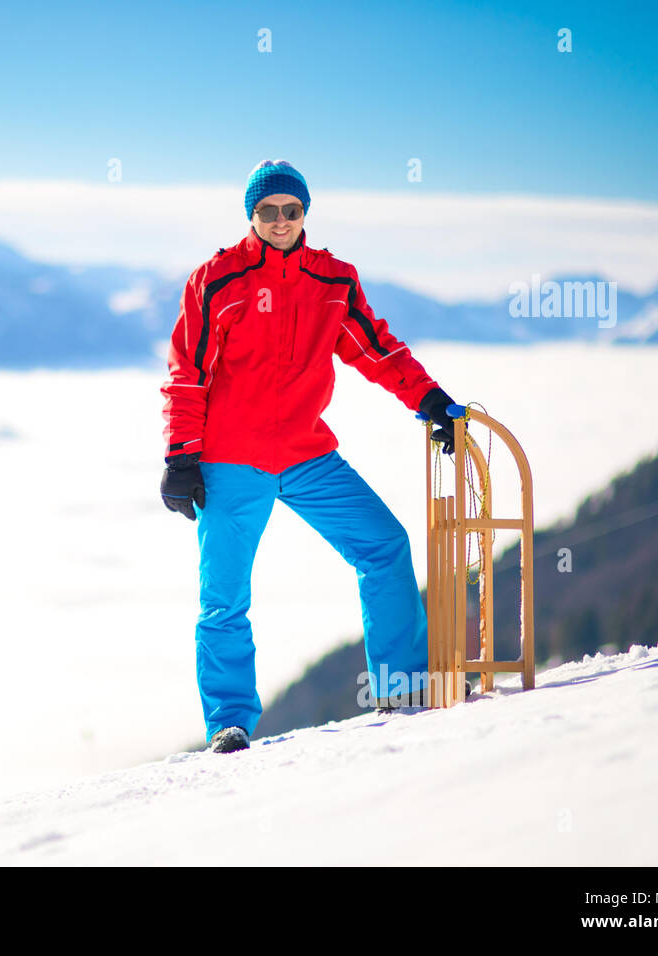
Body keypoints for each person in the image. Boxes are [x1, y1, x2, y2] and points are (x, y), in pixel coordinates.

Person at [159, 159, 459, 754]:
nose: (279, 220)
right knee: (224, 598)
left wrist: (429, 399)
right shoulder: (216, 279)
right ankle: (229, 721)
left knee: (385, 547)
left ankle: (402, 690)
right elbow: (186, 371)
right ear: (251, 215)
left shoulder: (334, 281)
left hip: (305, 453)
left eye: (290, 210)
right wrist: (181, 455)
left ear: (305, 215)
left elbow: (377, 349)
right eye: (267, 211)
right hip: (231, 459)